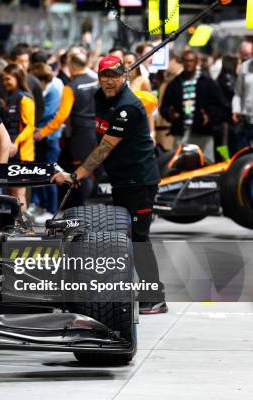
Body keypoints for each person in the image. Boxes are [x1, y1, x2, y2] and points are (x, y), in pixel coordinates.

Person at [51, 55, 165, 314]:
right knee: (123, 237)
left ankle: (155, 296)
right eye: (105, 76)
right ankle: (133, 289)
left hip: (139, 180)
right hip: (122, 179)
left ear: (124, 76)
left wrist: (76, 175)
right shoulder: (101, 98)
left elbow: (104, 148)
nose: (109, 81)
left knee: (138, 238)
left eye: (115, 75)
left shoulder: (128, 107)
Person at [34, 46, 98, 208]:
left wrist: (43, 132)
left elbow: (62, 116)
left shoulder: (71, 87)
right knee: (90, 171)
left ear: (71, 65)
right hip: (97, 131)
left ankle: (81, 210)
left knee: (79, 173)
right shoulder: (96, 82)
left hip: (79, 135)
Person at [160, 50, 226, 159]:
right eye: (185, 61)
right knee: (180, 164)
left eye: (191, 61)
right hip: (181, 132)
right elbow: (164, 107)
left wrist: (208, 116)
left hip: (202, 132)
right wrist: (170, 114)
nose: (188, 64)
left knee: (204, 163)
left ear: (196, 62)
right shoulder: (175, 83)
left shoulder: (207, 82)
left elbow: (219, 105)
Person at [28, 62, 63, 219]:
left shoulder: (53, 91)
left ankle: (51, 210)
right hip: (41, 138)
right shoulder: (44, 90)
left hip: (50, 139)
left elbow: (46, 113)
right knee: (40, 174)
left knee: (51, 175)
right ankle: (42, 206)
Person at [2, 63, 35, 209]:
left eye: (8, 79)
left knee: (19, 193)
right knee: (11, 192)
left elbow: (30, 127)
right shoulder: (10, 98)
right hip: (11, 151)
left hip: (22, 153)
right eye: (4, 79)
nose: (5, 82)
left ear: (17, 78)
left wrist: (16, 142)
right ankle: (15, 223)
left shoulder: (25, 99)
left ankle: (23, 225)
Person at [232, 51, 253, 150]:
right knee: (244, 155)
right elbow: (238, 93)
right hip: (246, 121)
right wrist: (236, 109)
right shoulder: (245, 67)